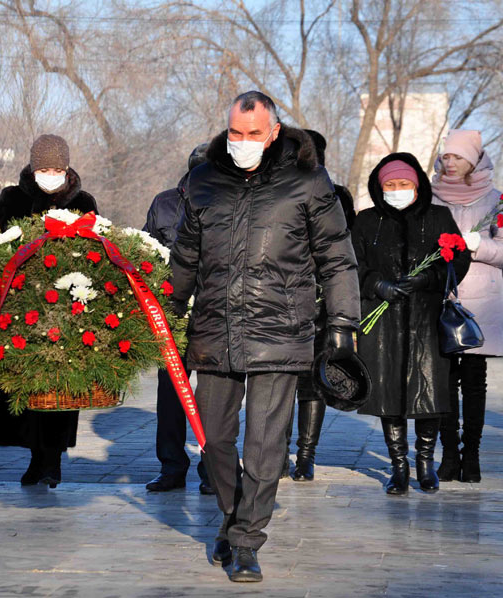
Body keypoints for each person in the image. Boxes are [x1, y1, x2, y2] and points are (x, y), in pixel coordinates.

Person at [170, 91, 360, 582]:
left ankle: (248, 540)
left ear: (273, 132)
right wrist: (167, 313)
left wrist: (341, 324)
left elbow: (337, 258)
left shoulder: (308, 181)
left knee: (263, 446)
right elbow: (185, 259)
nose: (244, 142)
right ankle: (233, 520)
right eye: (236, 132)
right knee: (214, 442)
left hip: (281, 330)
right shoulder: (204, 181)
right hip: (214, 331)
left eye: (254, 134)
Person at [0, 134, 98, 487]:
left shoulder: (82, 201)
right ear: (32, 167)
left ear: (67, 168)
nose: (50, 174)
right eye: (44, 168)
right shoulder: (13, 199)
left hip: (66, 311)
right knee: (24, 391)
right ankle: (34, 457)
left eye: (57, 168)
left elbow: (96, 247)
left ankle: (53, 459)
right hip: (20, 309)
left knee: (60, 390)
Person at [351, 153, 469, 497]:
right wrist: (377, 285)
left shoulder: (439, 217)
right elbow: (351, 264)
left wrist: (428, 278)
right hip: (383, 321)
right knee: (389, 393)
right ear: (379, 187)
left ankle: (425, 463)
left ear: (417, 187)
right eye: (391, 185)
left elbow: (459, 259)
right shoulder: (366, 220)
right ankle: (399, 466)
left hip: (425, 321)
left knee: (429, 392)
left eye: (404, 184)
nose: (397, 190)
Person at [431, 130, 503, 484]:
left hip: (480, 304)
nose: (450, 163)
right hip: (440, 300)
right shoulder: (432, 196)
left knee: (474, 383)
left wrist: (476, 244)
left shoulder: (496, 200)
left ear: (473, 159)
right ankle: (449, 455)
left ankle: (473, 455)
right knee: (443, 382)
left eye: (457, 157)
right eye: (446, 157)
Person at [288, 128, 358, 482]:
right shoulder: (280, 190)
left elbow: (343, 251)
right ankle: (278, 450)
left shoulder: (337, 196)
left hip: (322, 303)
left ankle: (305, 455)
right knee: (281, 381)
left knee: (312, 385)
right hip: (285, 301)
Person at [143, 144, 213, 495]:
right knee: (170, 394)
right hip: (172, 313)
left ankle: (213, 468)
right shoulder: (165, 203)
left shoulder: (227, 201)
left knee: (215, 395)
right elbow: (145, 252)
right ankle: (171, 466)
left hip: (215, 313)